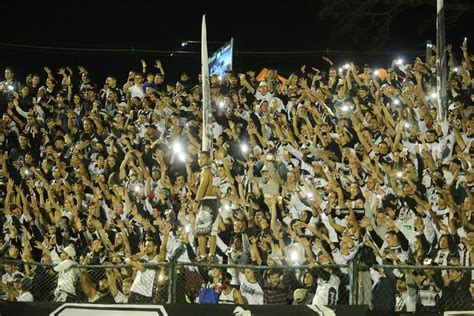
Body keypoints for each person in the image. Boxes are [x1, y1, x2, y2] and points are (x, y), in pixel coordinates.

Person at [193, 151, 220, 262]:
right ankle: (212, 254)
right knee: (213, 231)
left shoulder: (205, 171)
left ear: (208, 159)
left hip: (205, 202)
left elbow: (203, 187)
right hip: (215, 202)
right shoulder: (215, 171)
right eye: (199, 158)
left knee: (201, 231)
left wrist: (196, 201)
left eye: (203, 158)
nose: (200, 160)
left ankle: (203, 255)